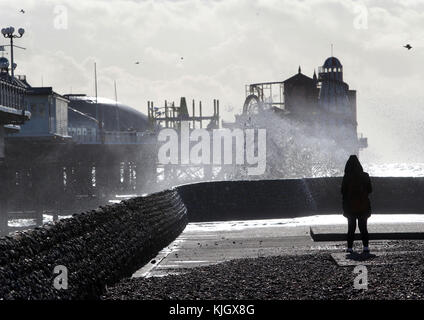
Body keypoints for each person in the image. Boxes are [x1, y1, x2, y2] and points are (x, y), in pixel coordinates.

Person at [341, 155, 372, 253]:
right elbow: (370, 190)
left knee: (351, 228)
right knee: (363, 228)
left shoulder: (347, 176)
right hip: (364, 206)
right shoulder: (365, 175)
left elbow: (342, 191)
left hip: (350, 207)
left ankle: (350, 248)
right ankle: (365, 247)